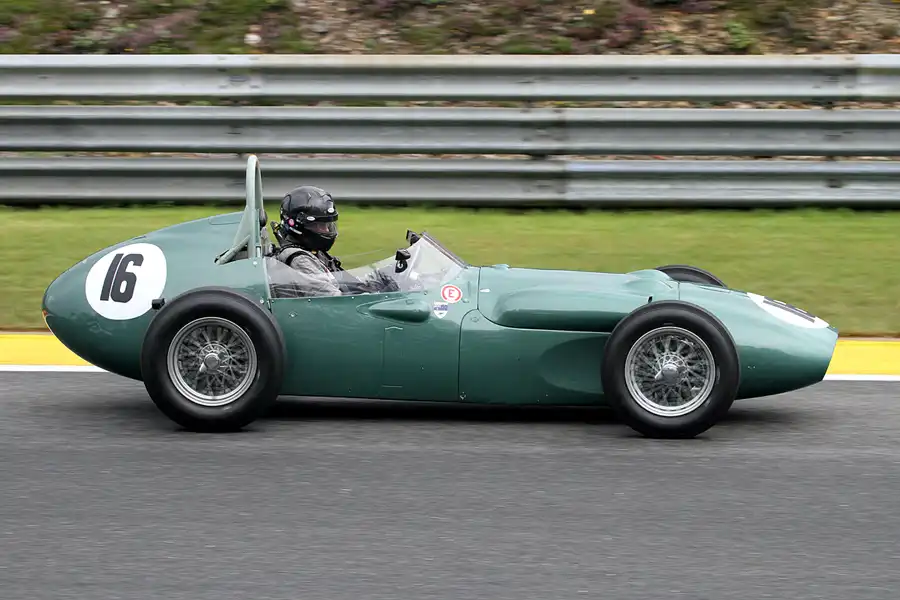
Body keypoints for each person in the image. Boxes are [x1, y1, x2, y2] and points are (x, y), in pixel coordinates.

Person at [271, 185, 344, 297]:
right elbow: (336, 301)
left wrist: (379, 275)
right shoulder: (300, 260)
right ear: (298, 225)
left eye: (327, 225)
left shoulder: (314, 251)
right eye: (319, 225)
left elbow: (349, 284)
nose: (325, 230)